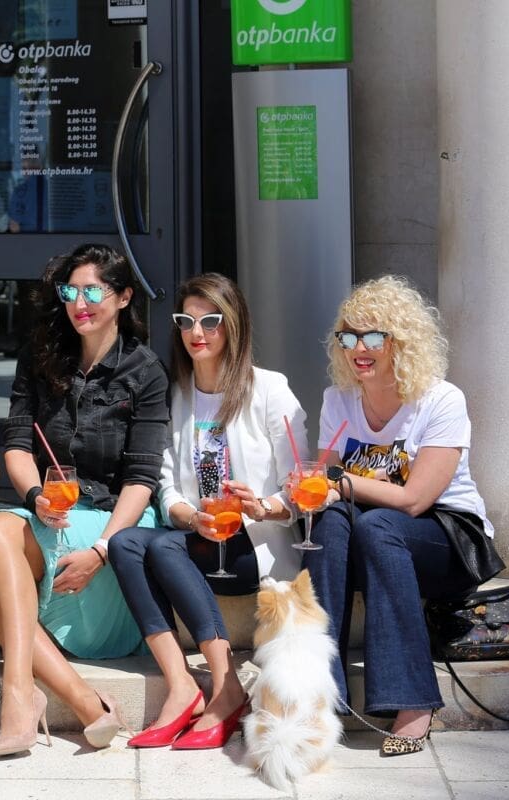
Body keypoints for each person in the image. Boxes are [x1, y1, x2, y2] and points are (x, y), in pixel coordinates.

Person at [0, 243, 170, 756]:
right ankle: (79, 700)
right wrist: (34, 494)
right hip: (53, 513)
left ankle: (20, 696)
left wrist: (102, 550)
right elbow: (17, 446)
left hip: (117, 526)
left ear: (123, 297)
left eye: (93, 291)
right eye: (70, 291)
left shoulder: (145, 371)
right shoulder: (41, 356)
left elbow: (142, 479)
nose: (79, 303)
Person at [108, 274, 308, 750]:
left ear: (233, 324)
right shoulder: (176, 393)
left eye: (210, 321)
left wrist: (263, 507)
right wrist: (188, 516)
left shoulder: (270, 390)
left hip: (252, 548)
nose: (196, 332)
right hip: (200, 540)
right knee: (125, 542)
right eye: (186, 321)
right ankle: (181, 684)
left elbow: (301, 486)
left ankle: (225, 687)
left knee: (165, 551)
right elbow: (166, 484)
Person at [303, 275, 496, 756]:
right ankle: (320, 695)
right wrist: (290, 496)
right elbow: (323, 483)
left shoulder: (441, 400)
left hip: (448, 538)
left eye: (373, 337)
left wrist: (339, 481)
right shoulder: (338, 400)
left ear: (401, 341)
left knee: (377, 524)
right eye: (349, 337)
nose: (358, 349)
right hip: (372, 535)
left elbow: (414, 500)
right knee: (330, 523)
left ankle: (412, 701)